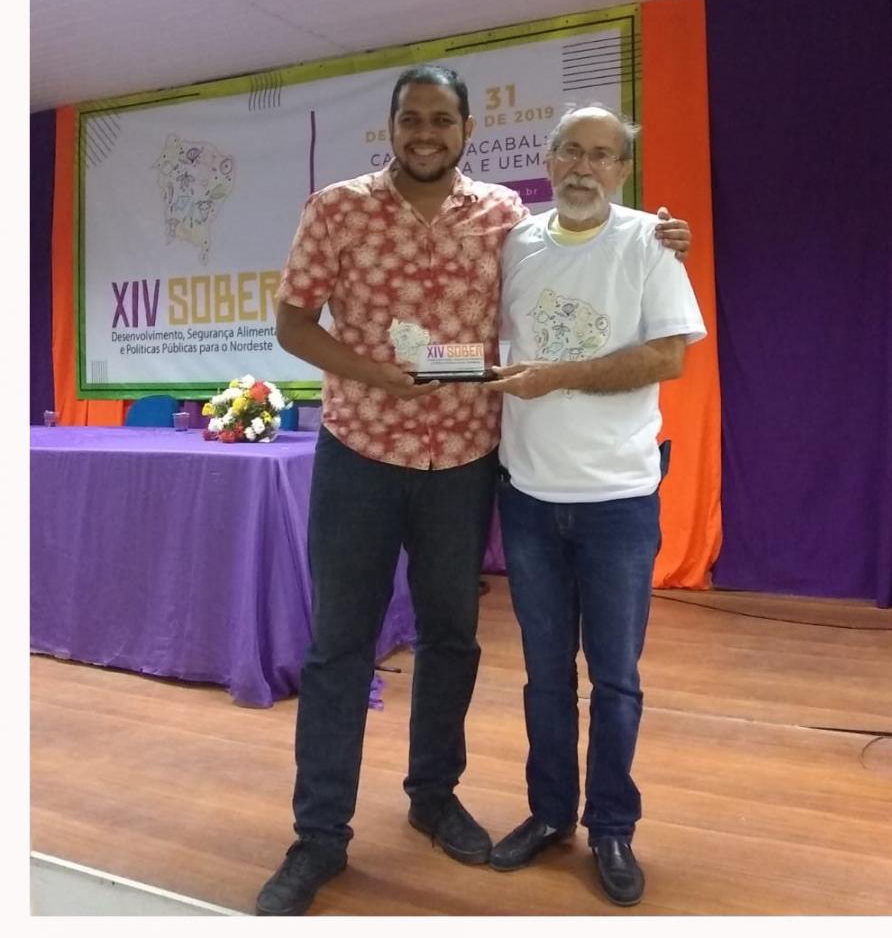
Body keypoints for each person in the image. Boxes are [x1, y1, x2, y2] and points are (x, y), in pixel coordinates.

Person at [255, 66, 692, 916]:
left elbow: (590, 231)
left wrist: (660, 232)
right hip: (360, 451)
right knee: (339, 648)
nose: (425, 133)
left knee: (452, 639)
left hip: (462, 460)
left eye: (442, 120)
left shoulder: (502, 217)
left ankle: (432, 796)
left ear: (466, 131)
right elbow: (292, 323)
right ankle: (318, 837)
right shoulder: (335, 208)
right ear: (391, 126)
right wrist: (371, 374)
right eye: (411, 118)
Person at [483, 104, 706, 908]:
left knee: (614, 680)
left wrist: (558, 376)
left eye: (601, 155)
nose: (583, 167)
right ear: (547, 160)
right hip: (528, 497)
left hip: (617, 502)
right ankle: (550, 814)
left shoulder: (649, 241)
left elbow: (667, 357)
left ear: (622, 169)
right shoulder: (514, 243)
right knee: (545, 676)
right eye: (570, 151)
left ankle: (612, 826)